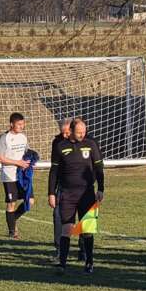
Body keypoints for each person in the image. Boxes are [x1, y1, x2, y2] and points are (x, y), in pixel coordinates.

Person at [48, 118, 104, 273]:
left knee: (87, 229)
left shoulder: (91, 144)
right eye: (79, 132)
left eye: (84, 131)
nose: (82, 134)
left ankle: (89, 262)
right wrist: (51, 193)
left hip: (87, 193)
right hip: (67, 194)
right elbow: (53, 172)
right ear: (71, 131)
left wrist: (101, 188)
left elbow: (99, 167)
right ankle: (62, 264)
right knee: (67, 229)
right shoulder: (60, 147)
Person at [0, 112, 31, 239]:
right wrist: (17, 162)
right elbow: (0, 157)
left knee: (30, 201)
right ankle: (12, 232)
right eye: (19, 124)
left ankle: (13, 218)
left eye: (23, 124)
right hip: (9, 175)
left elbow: (26, 152)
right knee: (11, 203)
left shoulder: (23, 137)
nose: (22, 126)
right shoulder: (4, 138)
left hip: (22, 175)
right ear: (11, 124)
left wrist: (30, 160)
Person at [50, 116, 73, 258]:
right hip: (62, 187)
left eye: (66, 132)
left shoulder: (85, 142)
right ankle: (58, 249)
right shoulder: (57, 143)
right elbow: (54, 169)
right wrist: (51, 192)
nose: (64, 135)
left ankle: (83, 250)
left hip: (79, 188)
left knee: (82, 219)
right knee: (57, 215)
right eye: (62, 132)